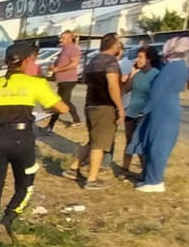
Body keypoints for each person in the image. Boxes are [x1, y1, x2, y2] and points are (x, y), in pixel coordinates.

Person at [0, 43, 70, 243]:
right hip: (23, 140)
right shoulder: (35, 83)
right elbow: (63, 108)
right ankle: (8, 219)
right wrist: (43, 112)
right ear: (27, 61)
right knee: (25, 185)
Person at [129, 36, 189, 193]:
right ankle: (149, 178)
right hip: (166, 108)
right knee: (152, 143)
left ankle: (154, 181)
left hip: (162, 109)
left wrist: (146, 108)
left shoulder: (172, 67)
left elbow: (158, 89)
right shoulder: (180, 66)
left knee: (157, 145)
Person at [66, 33, 123, 190]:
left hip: (90, 104)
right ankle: (92, 179)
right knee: (99, 144)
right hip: (105, 106)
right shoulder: (110, 61)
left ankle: (73, 168)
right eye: (119, 43)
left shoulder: (92, 61)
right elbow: (112, 85)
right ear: (113, 45)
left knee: (93, 141)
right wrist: (119, 107)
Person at [118, 45, 162, 179]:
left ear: (149, 59)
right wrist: (131, 74)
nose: (137, 59)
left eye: (141, 57)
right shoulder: (138, 74)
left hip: (144, 114)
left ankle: (145, 171)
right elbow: (126, 89)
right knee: (129, 141)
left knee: (140, 144)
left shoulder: (155, 74)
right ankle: (125, 168)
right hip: (131, 112)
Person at [43, 30, 81, 132]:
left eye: (63, 38)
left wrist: (58, 69)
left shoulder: (73, 49)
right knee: (65, 100)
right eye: (60, 38)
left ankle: (50, 125)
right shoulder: (63, 49)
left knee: (61, 101)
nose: (60, 40)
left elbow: (74, 64)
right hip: (61, 80)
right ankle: (76, 120)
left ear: (70, 39)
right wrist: (53, 67)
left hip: (69, 79)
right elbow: (60, 63)